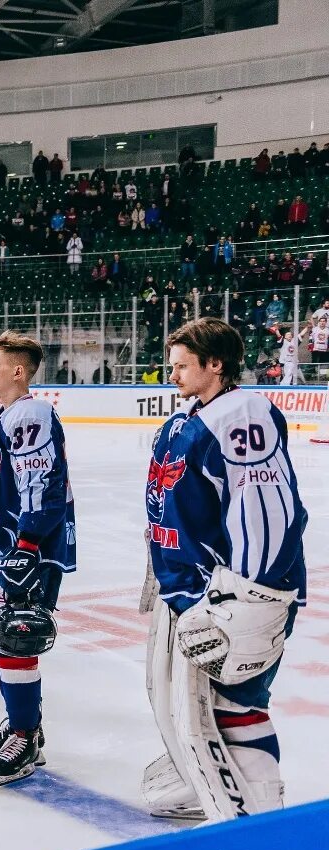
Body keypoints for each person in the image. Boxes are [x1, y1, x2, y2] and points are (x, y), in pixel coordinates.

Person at [142, 318, 307, 823]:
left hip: (233, 595)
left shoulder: (241, 414)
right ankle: (209, 784)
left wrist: (255, 592)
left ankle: (260, 822)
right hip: (190, 592)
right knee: (189, 707)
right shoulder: (188, 419)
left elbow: (267, 510)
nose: (172, 375)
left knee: (237, 704)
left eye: (183, 366)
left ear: (216, 364)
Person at [0, 332, 76, 787]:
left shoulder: (30, 412)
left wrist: (27, 544)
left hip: (26, 548)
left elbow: (42, 483)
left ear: (18, 371)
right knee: (0, 636)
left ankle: (26, 736)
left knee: (16, 637)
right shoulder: (1, 415)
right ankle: (21, 720)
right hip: (2, 543)